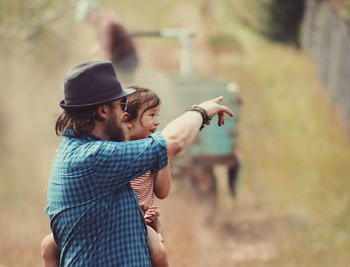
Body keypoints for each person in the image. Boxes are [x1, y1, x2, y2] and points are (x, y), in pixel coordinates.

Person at [45, 60, 234, 266]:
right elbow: (173, 142)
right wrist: (201, 110)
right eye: (120, 106)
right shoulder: (93, 157)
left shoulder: (80, 152)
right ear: (103, 111)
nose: (123, 115)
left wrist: (137, 225)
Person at [41, 86, 170, 267]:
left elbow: (162, 191)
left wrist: (162, 151)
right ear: (127, 120)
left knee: (158, 251)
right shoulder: (112, 151)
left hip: (139, 222)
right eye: (151, 115)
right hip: (102, 223)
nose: (157, 122)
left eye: (158, 115)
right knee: (48, 244)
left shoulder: (150, 151)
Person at [76, 0, 138, 82]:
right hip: (125, 58)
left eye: (86, 17)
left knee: (102, 83)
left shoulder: (106, 24)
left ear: (93, 12)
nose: (86, 21)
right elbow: (103, 45)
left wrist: (89, 68)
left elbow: (106, 53)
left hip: (124, 61)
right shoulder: (106, 17)